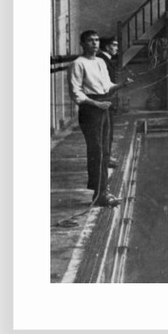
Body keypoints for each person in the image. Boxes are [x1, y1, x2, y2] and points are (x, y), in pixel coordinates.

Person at [68, 30, 131, 207]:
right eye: (90, 41)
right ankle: (99, 193)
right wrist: (96, 105)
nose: (94, 43)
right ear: (82, 44)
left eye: (96, 40)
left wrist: (121, 85)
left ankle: (103, 190)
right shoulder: (77, 64)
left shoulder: (101, 62)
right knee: (96, 151)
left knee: (104, 151)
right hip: (90, 109)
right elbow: (76, 93)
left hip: (103, 105)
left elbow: (107, 86)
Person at [97, 37, 120, 167]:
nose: (117, 48)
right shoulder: (102, 60)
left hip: (107, 100)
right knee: (106, 132)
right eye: (114, 45)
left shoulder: (106, 60)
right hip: (104, 100)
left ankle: (107, 157)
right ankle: (105, 160)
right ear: (107, 47)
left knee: (108, 131)